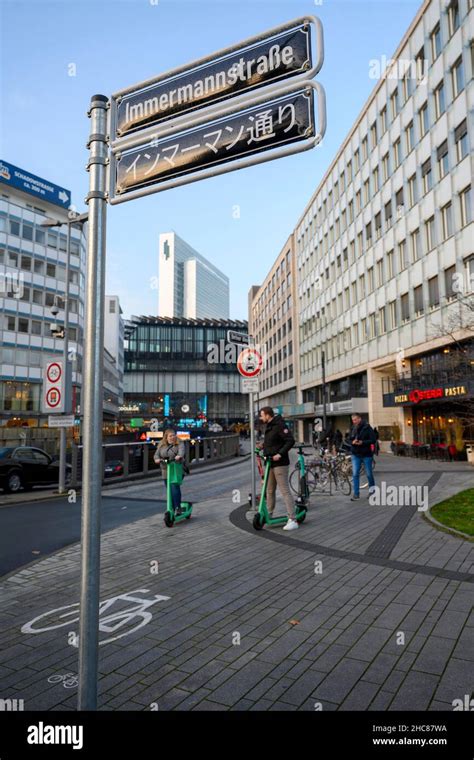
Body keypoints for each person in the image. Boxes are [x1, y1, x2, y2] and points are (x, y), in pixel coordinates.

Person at [259, 406, 297, 530]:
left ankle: (292, 519)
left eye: (262, 415)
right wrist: (262, 446)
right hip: (270, 462)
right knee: (269, 490)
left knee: (284, 490)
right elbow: (273, 442)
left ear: (268, 415)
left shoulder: (280, 425)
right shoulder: (269, 426)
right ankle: (269, 514)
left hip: (280, 463)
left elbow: (290, 440)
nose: (261, 417)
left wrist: (280, 454)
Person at [154, 429, 185, 514]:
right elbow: (156, 454)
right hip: (165, 469)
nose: (172, 437)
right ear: (166, 437)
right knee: (169, 490)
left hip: (176, 468)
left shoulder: (179, 443)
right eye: (170, 436)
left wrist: (179, 456)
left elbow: (181, 451)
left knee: (174, 487)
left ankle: (178, 507)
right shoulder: (161, 445)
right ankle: (171, 508)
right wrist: (157, 459)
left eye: (174, 435)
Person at [349, 413, 376, 501]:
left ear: (360, 419)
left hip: (366, 454)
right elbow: (349, 438)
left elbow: (373, 440)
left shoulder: (367, 427)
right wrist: (353, 442)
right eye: (353, 420)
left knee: (369, 474)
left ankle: (372, 491)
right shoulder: (353, 428)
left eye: (355, 419)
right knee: (355, 474)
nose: (354, 421)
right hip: (355, 454)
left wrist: (362, 442)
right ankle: (356, 494)